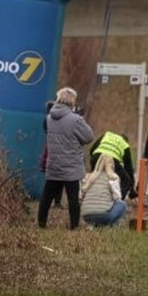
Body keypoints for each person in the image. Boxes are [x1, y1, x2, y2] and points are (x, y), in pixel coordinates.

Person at [37, 87, 94, 230]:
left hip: (54, 163)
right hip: (71, 165)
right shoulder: (76, 119)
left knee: (47, 197)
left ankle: (41, 224)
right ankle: (74, 226)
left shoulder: (49, 118)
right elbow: (89, 137)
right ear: (71, 101)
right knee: (73, 199)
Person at [80, 154, 127, 227]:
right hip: (103, 215)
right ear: (112, 165)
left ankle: (94, 226)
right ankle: (112, 227)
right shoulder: (113, 177)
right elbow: (117, 197)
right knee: (122, 204)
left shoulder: (89, 176)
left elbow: (81, 195)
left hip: (86, 216)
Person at [89, 131, 137, 200]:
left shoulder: (107, 134)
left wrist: (95, 164)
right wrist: (132, 187)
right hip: (112, 160)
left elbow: (92, 150)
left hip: (96, 157)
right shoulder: (125, 145)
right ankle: (117, 202)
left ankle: (91, 197)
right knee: (126, 180)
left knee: (95, 179)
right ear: (126, 141)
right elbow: (128, 168)